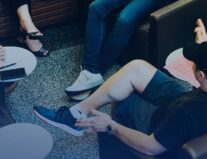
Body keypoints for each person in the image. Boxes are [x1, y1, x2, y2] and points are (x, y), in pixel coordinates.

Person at [34, 19, 207, 157]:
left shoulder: (187, 113)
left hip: (165, 124)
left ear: (201, 75)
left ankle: (114, 143)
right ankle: (76, 114)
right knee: (137, 68)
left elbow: (151, 148)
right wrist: (203, 47)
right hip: (184, 100)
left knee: (124, 99)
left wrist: (110, 126)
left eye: (194, 63)